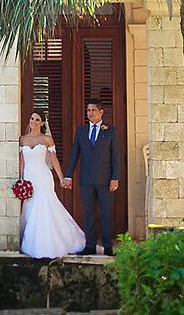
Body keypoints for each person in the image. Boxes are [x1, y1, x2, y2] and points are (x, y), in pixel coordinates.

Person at [18, 111, 86, 258]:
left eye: (37, 120)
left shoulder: (47, 139)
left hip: (43, 177)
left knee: (44, 206)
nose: (34, 122)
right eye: (32, 119)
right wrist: (20, 180)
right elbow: (22, 161)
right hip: (29, 177)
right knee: (31, 207)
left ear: (42, 123)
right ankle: (35, 241)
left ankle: (49, 242)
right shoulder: (22, 140)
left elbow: (54, 160)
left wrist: (62, 178)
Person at [62, 101, 120, 256]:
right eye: (88, 110)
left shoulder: (110, 131)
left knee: (107, 213)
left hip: (105, 180)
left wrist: (115, 178)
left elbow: (115, 156)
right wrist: (68, 175)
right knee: (88, 214)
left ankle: (108, 246)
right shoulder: (81, 131)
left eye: (93, 110)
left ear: (101, 112)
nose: (90, 113)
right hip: (86, 179)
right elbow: (75, 154)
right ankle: (90, 246)